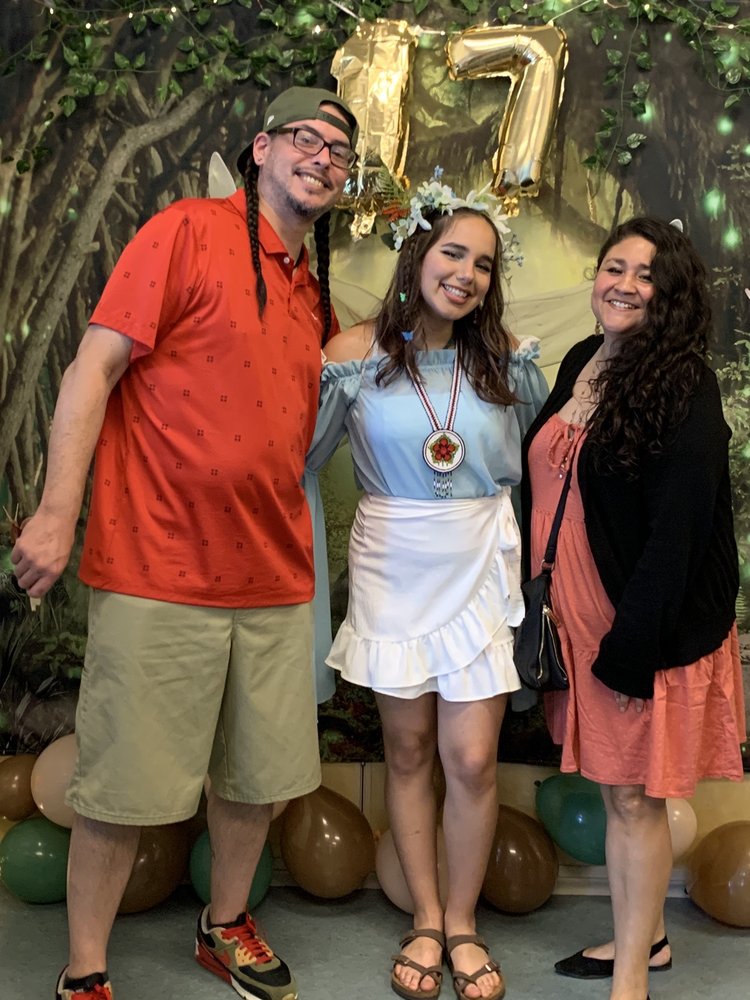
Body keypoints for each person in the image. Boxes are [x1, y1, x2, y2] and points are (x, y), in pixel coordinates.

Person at [10, 86, 359, 1000]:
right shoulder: (184, 232)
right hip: (157, 569)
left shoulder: (312, 293)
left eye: (340, 151)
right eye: (306, 138)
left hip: (274, 580)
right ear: (261, 148)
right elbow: (94, 367)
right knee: (118, 789)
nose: (323, 157)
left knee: (256, 781)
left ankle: (224, 925)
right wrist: (55, 512)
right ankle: (86, 969)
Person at [306, 175, 548, 1000]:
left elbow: (538, 471)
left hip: (478, 558)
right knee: (407, 750)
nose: (467, 274)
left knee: (471, 759)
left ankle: (466, 924)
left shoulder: (507, 357)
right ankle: (427, 918)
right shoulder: (350, 355)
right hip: (393, 560)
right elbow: (299, 463)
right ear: (417, 251)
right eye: (453, 253)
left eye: (483, 263)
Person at [520, 217, 746, 1000]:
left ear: (671, 294)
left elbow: (679, 533)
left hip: (638, 626)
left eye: (645, 275)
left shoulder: (685, 384)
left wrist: (631, 647)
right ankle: (645, 940)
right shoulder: (585, 359)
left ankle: (630, 983)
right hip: (572, 618)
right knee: (615, 791)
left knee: (630, 800)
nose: (622, 284)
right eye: (613, 266)